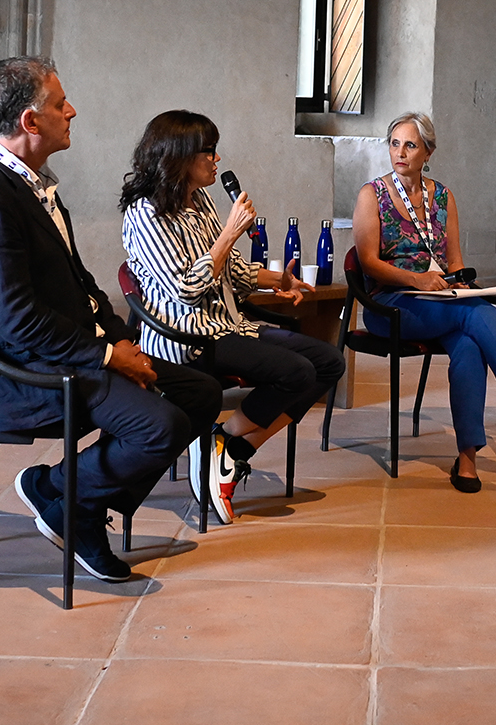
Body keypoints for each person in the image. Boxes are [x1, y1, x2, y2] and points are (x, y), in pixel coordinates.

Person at [0, 57, 221, 582]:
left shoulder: (32, 184)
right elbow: (16, 323)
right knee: (160, 426)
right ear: (30, 122)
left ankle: (63, 495)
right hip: (26, 373)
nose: (71, 111)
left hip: (71, 352)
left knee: (200, 394)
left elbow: (83, 284)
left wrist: (121, 340)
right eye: (58, 104)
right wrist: (109, 355)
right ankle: (77, 508)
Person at [120, 110, 346, 524]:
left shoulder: (199, 200)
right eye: (208, 151)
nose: (216, 160)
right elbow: (187, 291)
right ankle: (222, 448)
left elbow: (233, 269)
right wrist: (227, 234)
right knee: (295, 372)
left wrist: (278, 279)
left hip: (227, 326)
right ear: (179, 156)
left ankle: (228, 445)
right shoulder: (145, 214)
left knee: (329, 362)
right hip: (186, 340)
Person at [353, 111, 496, 493]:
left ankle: (468, 459)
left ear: (428, 151)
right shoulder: (370, 194)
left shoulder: (442, 196)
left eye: (410, 145)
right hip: (391, 304)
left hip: (440, 301)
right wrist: (417, 279)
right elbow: (368, 263)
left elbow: (454, 261)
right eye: (395, 144)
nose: (401, 152)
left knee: (470, 342)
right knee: (477, 315)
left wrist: (464, 285)